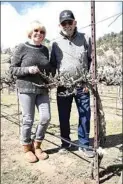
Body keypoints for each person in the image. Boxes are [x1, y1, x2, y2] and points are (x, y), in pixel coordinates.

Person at [50, 10, 95, 158]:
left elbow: (92, 60)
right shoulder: (55, 43)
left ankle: (84, 144)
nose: (67, 25)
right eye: (64, 23)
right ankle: (65, 143)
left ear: (75, 22)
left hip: (82, 85)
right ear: (60, 25)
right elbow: (52, 65)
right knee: (63, 116)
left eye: (70, 22)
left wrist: (89, 80)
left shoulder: (85, 38)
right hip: (63, 86)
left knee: (85, 115)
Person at [10, 20, 51, 163]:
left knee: (45, 117)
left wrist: (51, 79)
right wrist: (28, 69)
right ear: (30, 33)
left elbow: (49, 69)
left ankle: (37, 145)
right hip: (26, 89)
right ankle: (27, 148)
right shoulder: (22, 47)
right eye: (36, 31)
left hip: (42, 90)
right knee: (28, 119)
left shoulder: (45, 49)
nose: (39, 34)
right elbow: (12, 69)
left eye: (42, 32)